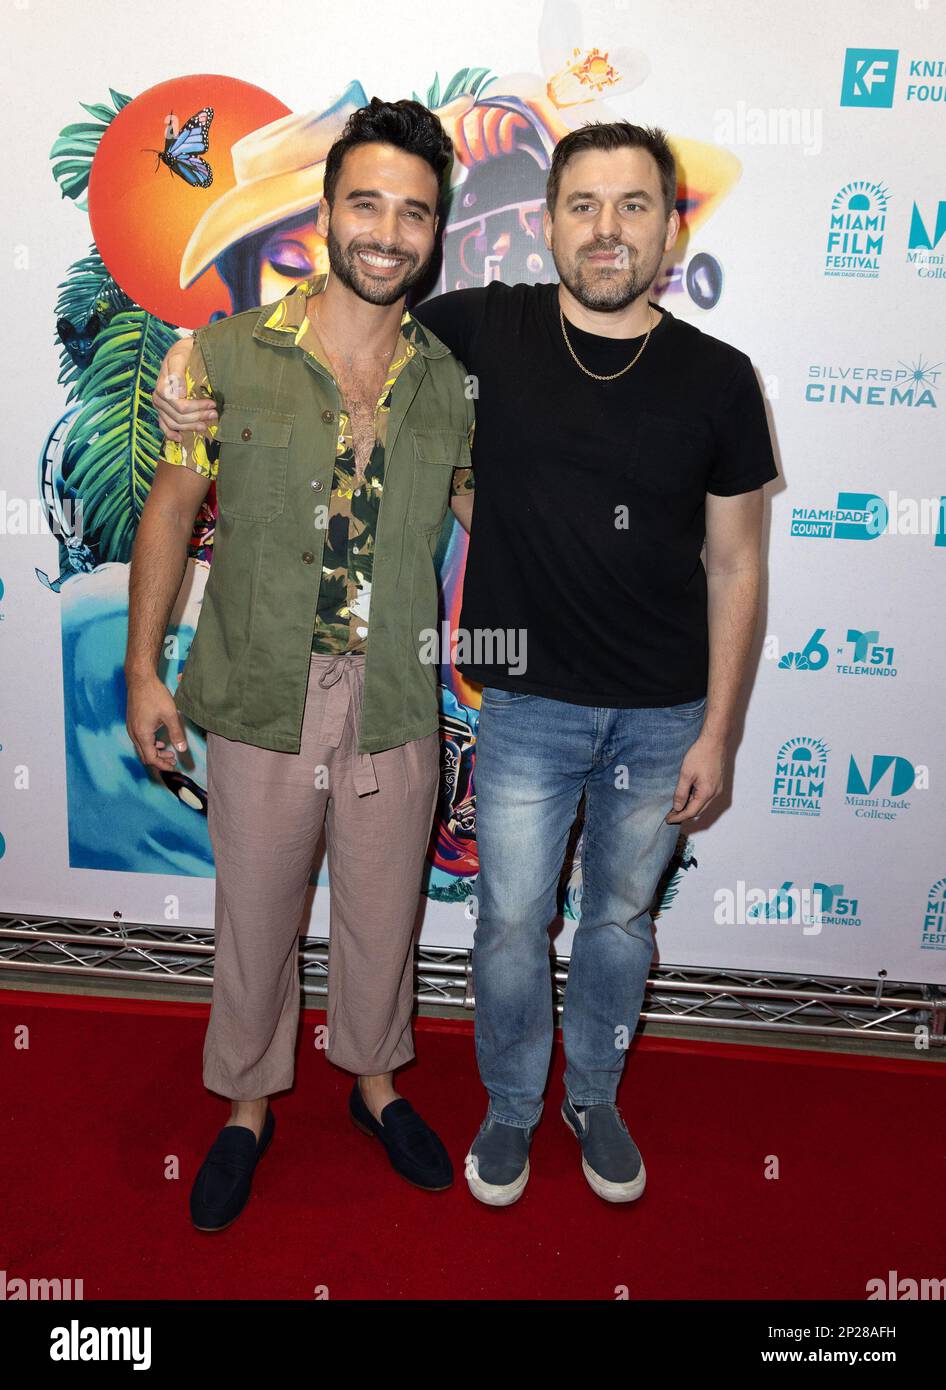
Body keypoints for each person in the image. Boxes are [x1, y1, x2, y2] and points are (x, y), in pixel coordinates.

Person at [154, 119, 778, 1211]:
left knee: (480, 917)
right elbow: (205, 459)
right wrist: (180, 388)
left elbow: (719, 559)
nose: (605, 228)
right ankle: (328, 1107)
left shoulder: (686, 377)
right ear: (544, 225)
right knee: (360, 918)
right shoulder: (405, 342)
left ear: (664, 229)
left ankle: (461, 1087)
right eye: (582, 204)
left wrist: (716, 726)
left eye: (632, 205)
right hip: (401, 695)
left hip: (549, 702)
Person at [127, 98, 475, 1232]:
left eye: (412, 212)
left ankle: (374, 1085)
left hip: (395, 700)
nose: (387, 231)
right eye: (365, 204)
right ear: (325, 214)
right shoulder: (225, 354)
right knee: (257, 913)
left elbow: (500, 519)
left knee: (384, 911)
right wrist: (144, 670)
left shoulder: (451, 384)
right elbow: (173, 505)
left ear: (435, 230)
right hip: (260, 684)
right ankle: (245, 1105)